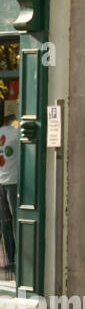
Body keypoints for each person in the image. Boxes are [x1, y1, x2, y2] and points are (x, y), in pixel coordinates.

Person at [0, 116, 18, 274]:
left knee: (5, 223)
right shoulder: (17, 133)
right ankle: (19, 261)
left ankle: (11, 260)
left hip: (1, 181)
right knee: (16, 222)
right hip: (13, 181)